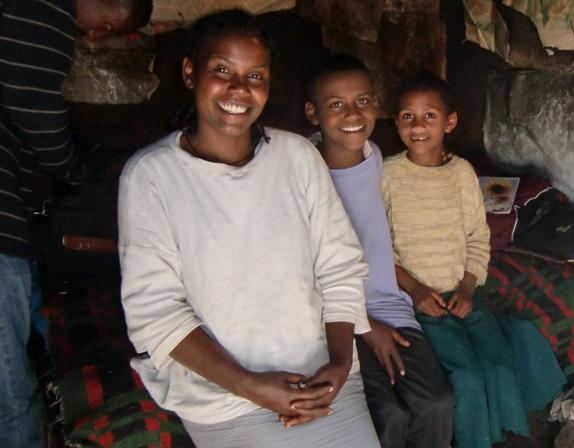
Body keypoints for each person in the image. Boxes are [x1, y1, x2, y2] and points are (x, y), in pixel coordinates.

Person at [117, 10, 379, 448]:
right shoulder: (150, 177)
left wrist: (339, 362)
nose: (240, 88)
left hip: (325, 381)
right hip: (223, 398)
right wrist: (249, 385)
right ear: (190, 72)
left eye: (255, 75)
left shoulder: (297, 156)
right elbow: (155, 312)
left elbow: (340, 267)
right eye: (222, 70)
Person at [0, 1, 152, 446]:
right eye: (108, 26)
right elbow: (38, 114)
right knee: (9, 392)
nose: (95, 36)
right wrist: (78, 173)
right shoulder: (45, 11)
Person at [382, 74, 546, 448]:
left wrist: (469, 287)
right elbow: (377, 248)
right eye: (407, 117)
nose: (417, 126)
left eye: (429, 116)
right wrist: (414, 289)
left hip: (462, 293)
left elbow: (477, 236)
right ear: (396, 122)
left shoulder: (462, 173)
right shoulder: (388, 175)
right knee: (466, 375)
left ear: (450, 121)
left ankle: (505, 434)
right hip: (416, 301)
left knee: (499, 362)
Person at [304, 54, 454, 448]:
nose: (353, 114)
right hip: (334, 322)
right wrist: (366, 327)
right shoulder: (304, 176)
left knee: (436, 404)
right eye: (336, 104)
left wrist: (411, 289)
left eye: (362, 101)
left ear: (376, 104)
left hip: (391, 308)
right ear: (312, 113)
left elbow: (380, 239)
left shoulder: (372, 157)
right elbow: (304, 273)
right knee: (388, 417)